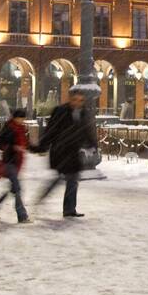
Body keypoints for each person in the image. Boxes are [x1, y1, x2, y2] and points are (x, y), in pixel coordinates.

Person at [34, 89, 97, 219]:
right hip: (60, 151)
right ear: (70, 99)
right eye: (75, 100)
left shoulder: (84, 112)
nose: (78, 103)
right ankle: (44, 197)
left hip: (73, 152)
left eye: (81, 101)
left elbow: (86, 130)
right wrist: (42, 146)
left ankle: (69, 209)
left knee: (72, 180)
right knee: (62, 179)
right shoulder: (60, 111)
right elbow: (50, 129)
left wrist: (92, 144)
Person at [0, 108, 31, 223]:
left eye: (23, 118)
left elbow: (26, 143)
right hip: (9, 162)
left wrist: (36, 148)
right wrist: (13, 147)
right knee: (17, 189)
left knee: (12, 189)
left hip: (17, 163)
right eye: (20, 118)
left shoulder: (22, 129)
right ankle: (22, 216)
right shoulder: (9, 128)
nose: (22, 120)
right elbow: (0, 143)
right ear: (15, 118)